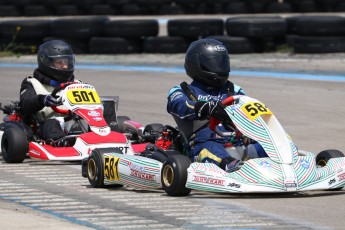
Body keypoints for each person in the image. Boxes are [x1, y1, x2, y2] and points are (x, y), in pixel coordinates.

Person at [167, 38, 267, 172]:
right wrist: (204, 107)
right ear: (197, 64)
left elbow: (248, 111)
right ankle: (231, 166)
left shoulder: (233, 90)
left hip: (238, 144)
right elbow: (180, 105)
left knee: (268, 143)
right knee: (211, 148)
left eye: (222, 62)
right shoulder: (182, 90)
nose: (219, 67)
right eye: (213, 62)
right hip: (202, 146)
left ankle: (289, 163)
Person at [19, 40, 77, 147]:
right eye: (59, 62)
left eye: (66, 62)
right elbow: (26, 103)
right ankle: (61, 142)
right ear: (46, 62)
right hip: (46, 124)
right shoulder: (32, 83)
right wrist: (42, 100)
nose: (65, 66)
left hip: (74, 122)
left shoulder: (77, 84)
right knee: (52, 123)